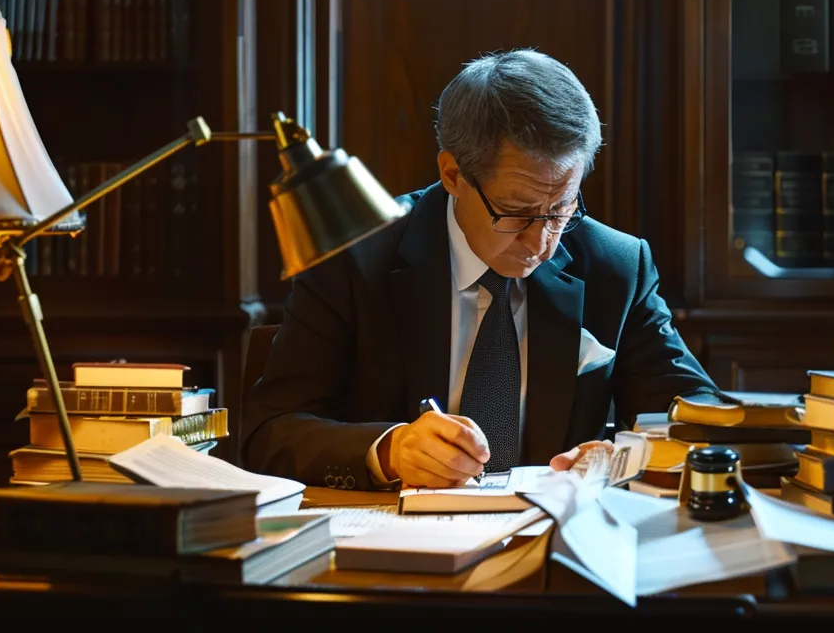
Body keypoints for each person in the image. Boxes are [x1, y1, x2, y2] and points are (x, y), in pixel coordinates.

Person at [241, 48, 718, 490]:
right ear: (452, 174)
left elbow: (702, 417)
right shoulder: (355, 260)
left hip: (555, 543)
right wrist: (389, 451)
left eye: (561, 209)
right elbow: (268, 430)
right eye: (516, 210)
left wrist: (624, 455)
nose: (542, 244)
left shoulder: (616, 265)